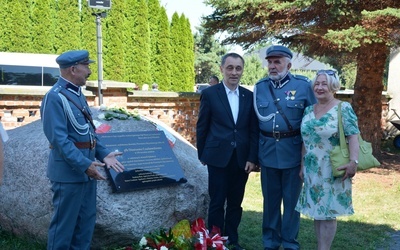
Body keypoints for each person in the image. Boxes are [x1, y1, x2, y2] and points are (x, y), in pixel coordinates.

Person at [40, 50, 125, 250]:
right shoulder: (55, 97)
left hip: (87, 172)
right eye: (86, 66)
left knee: (84, 226)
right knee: (63, 228)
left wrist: (103, 153)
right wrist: (84, 164)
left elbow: (88, 134)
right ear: (73, 69)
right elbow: (59, 140)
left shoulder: (76, 94)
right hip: (69, 174)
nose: (89, 70)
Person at [253, 45, 316, 250]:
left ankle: (289, 242)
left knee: (291, 203)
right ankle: (270, 242)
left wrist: (309, 156)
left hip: (293, 152)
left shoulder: (304, 86)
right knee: (270, 202)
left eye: (277, 62)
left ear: (288, 64)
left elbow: (313, 121)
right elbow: (254, 124)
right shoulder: (260, 87)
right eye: (270, 62)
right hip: (268, 151)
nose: (272, 66)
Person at [196, 52, 259, 250]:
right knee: (217, 201)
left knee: (235, 202)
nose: (234, 72)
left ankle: (232, 238)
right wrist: (202, 154)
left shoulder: (249, 96)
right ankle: (215, 240)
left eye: (238, 68)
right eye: (230, 68)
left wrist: (252, 157)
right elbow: (202, 127)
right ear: (222, 69)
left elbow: (253, 130)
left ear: (242, 71)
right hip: (217, 157)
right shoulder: (209, 94)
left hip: (241, 159)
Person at [295, 70, 359, 250]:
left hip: (333, 167)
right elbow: (305, 140)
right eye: (317, 84)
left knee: (329, 212)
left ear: (333, 86)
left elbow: (354, 136)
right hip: (311, 169)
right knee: (318, 210)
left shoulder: (343, 108)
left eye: (324, 83)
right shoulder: (309, 109)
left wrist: (354, 162)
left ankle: (325, 248)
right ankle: (320, 247)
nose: (320, 87)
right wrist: (302, 166)